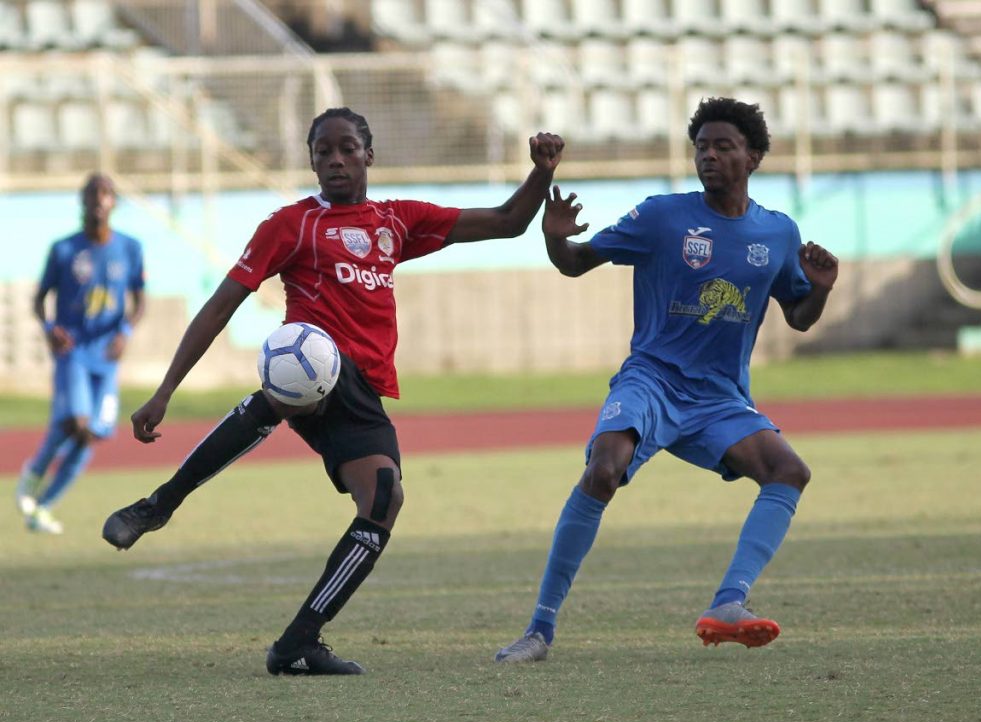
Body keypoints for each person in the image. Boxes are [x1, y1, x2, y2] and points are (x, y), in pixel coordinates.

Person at [101, 107, 565, 676]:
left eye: (348, 148)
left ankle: (298, 642)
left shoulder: (397, 221)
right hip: (314, 368)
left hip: (361, 394)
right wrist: (164, 391)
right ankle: (159, 504)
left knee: (386, 497)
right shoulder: (289, 224)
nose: (336, 160)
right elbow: (223, 303)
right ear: (312, 161)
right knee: (306, 356)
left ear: (369, 154)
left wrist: (542, 173)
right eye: (324, 152)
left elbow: (507, 221)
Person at [494, 97, 839, 663]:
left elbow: (798, 317)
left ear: (753, 157)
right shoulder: (662, 217)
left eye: (723, 146)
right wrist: (556, 238)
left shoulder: (778, 234)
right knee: (603, 470)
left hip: (720, 398)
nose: (708, 155)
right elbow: (576, 262)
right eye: (701, 146)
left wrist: (820, 288)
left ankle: (729, 603)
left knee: (789, 472)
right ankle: (539, 631)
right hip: (651, 382)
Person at [15, 173, 146, 535]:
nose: (98, 201)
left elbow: (140, 300)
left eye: (105, 194)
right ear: (82, 201)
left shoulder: (130, 248)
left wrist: (125, 332)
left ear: (114, 203)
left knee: (92, 435)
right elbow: (40, 300)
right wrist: (48, 328)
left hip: (106, 355)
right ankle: (33, 474)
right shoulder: (65, 250)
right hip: (73, 350)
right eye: (92, 194)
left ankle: (42, 507)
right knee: (78, 421)